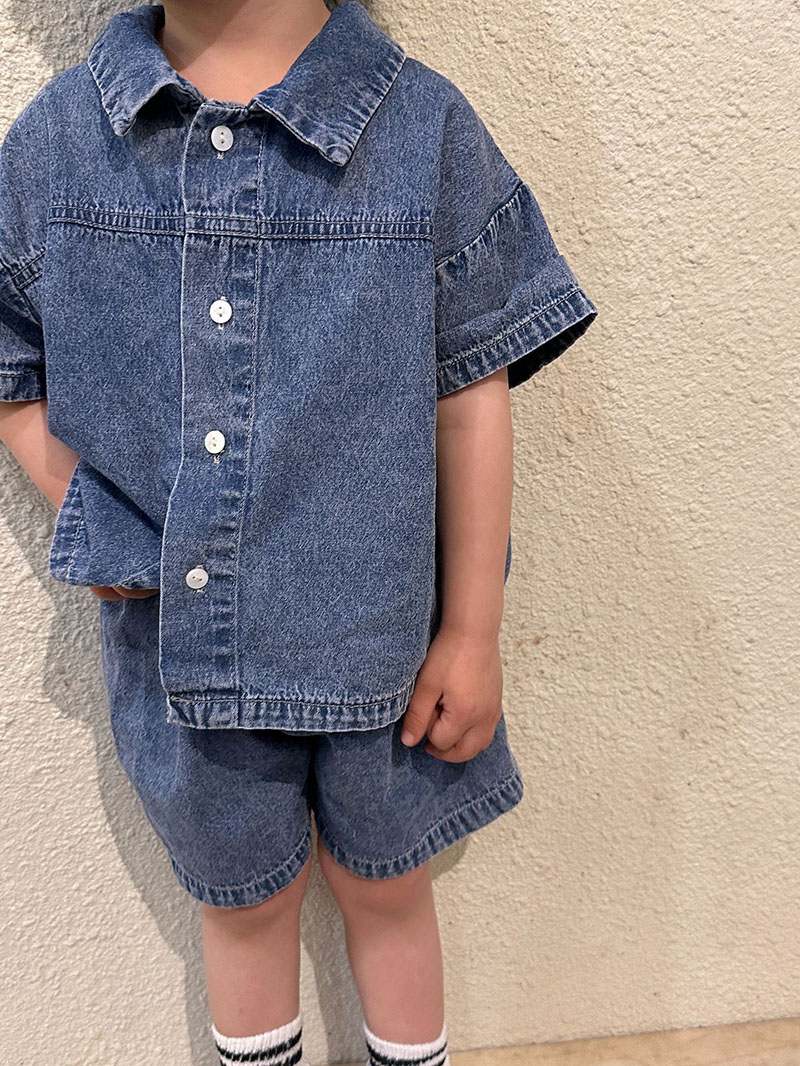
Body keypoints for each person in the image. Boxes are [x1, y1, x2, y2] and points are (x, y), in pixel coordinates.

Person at [0, 0, 598, 1063]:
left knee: (388, 885)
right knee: (242, 905)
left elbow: (472, 393)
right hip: (182, 653)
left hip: (385, 648)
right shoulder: (58, 144)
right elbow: (12, 363)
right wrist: (94, 516)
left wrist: (473, 632)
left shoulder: (422, 129)